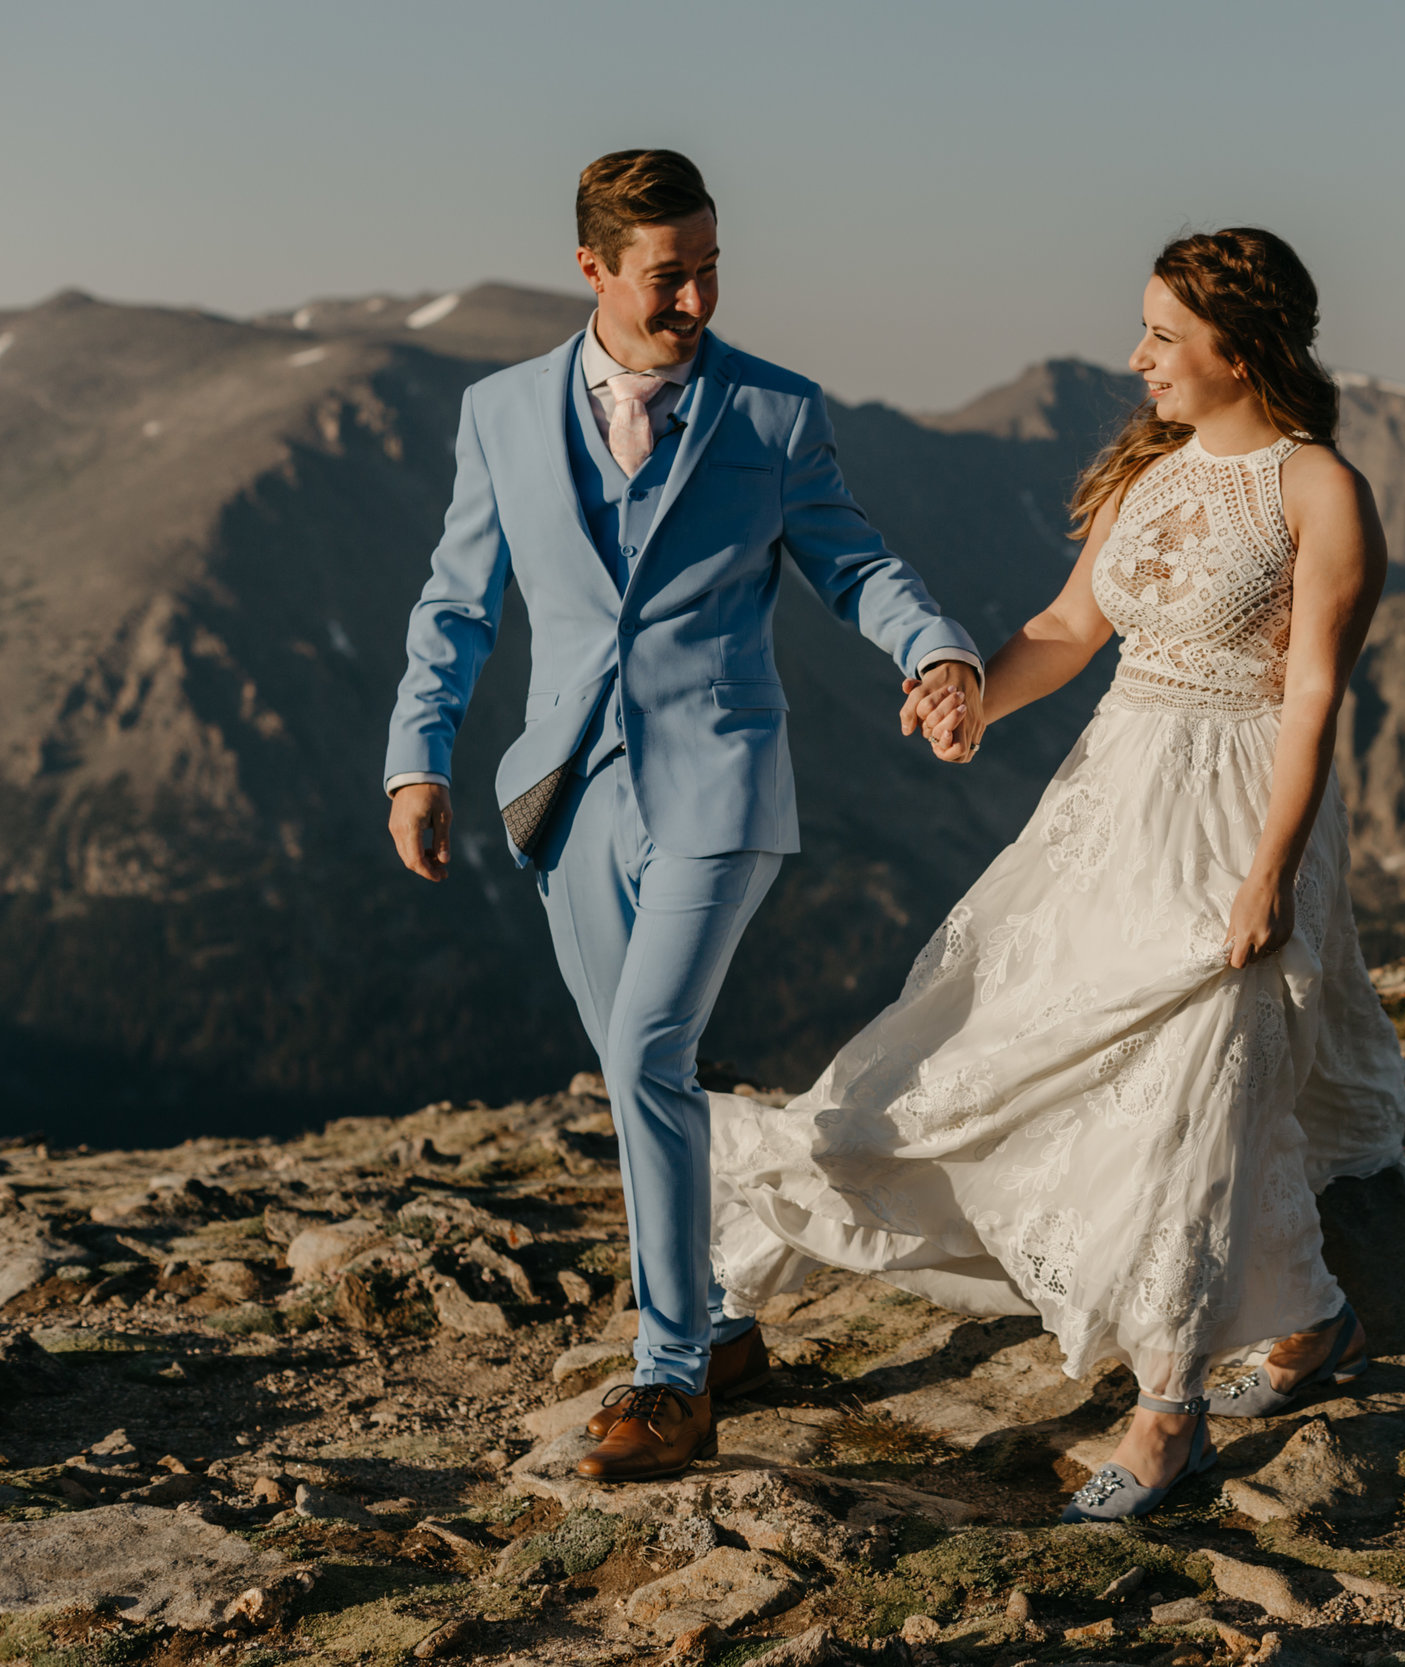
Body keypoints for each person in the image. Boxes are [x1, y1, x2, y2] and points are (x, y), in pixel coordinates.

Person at [707, 227, 1405, 1522]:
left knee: (1191, 1083)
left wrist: (1272, 875)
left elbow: (1312, 699)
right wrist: (976, 691)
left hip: (1237, 815)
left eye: (1161, 335)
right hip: (1107, 809)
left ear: (1238, 349)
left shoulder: (1322, 493)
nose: (1135, 356)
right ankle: (1311, 1319)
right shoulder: (1148, 473)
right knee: (996, 1049)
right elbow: (1068, 629)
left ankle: (1168, 1410)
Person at [382, 150, 987, 1481]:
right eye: (671, 273)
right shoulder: (499, 415)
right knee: (634, 1063)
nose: (699, 296)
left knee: (651, 1047)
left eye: (713, 265)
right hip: (564, 791)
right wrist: (415, 758)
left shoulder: (772, 412)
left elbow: (854, 556)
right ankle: (717, 1324)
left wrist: (932, 651)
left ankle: (668, 1376)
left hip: (721, 778)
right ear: (593, 269)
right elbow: (457, 602)